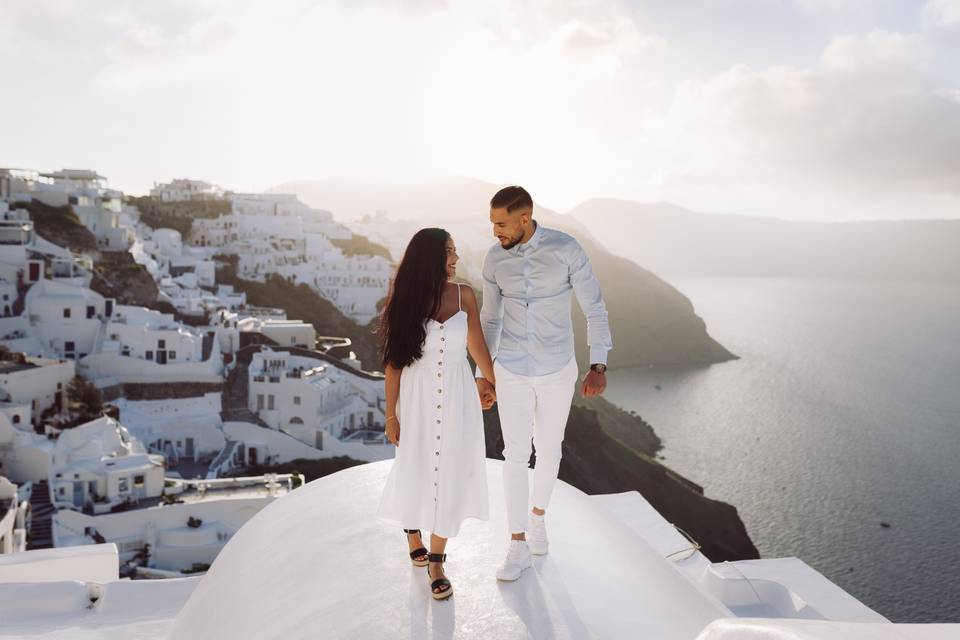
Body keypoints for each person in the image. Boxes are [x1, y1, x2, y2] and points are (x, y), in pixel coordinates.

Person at [474, 186, 612, 581]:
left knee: (549, 451)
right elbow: (489, 321)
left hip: (557, 369)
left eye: (501, 223)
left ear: (523, 218)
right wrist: (484, 373)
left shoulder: (566, 249)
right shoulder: (494, 259)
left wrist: (598, 364)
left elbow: (594, 307)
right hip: (512, 369)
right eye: (492, 223)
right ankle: (516, 543)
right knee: (515, 455)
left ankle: (538, 519)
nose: (495, 231)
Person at [376, 227, 496, 600]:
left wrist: (493, 384)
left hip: (458, 392)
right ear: (430, 257)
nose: (455, 259)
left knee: (451, 470)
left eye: (455, 251)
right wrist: (391, 416)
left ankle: (437, 561)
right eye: (448, 252)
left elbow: (476, 346)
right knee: (415, 464)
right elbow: (394, 364)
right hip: (416, 395)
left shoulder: (464, 296)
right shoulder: (405, 301)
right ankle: (412, 532)